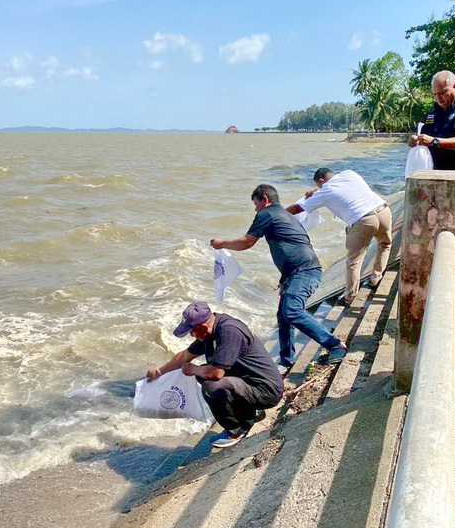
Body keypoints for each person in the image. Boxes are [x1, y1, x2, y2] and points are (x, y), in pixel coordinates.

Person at [210, 184, 346, 372]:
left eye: (256, 204)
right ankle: (286, 360)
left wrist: (221, 243)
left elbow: (247, 242)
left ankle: (335, 345)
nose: (255, 209)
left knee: (291, 311)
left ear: (265, 199)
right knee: (283, 316)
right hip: (298, 272)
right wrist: (285, 280)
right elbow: (292, 246)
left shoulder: (267, 213)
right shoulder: (284, 215)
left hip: (305, 272)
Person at [146, 301, 283, 449]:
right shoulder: (209, 332)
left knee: (212, 385)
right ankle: (251, 413)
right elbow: (185, 355)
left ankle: (236, 430)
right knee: (203, 373)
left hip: (267, 391)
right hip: (248, 383)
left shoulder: (229, 331)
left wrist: (192, 369)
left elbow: (216, 374)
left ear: (203, 327)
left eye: (191, 332)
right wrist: (159, 373)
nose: (192, 336)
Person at [286, 168, 392, 305]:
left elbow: (297, 208)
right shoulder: (350, 173)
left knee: (354, 261)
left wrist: (277, 214)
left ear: (321, 181)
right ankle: (376, 278)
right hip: (383, 210)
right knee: (384, 244)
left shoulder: (325, 191)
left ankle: (350, 296)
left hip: (363, 220)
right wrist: (315, 191)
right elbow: (336, 186)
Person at [408, 70, 455, 171]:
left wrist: (434, 141)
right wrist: (415, 139)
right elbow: (426, 135)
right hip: (435, 169)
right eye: (435, 94)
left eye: (442, 93)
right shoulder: (434, 111)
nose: (438, 98)